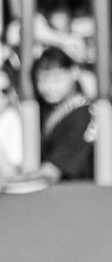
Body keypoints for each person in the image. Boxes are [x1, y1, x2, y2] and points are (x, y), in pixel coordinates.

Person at [5, 46, 94, 189]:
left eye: (57, 78)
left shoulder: (83, 113)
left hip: (78, 191)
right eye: (43, 79)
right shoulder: (45, 109)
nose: (50, 86)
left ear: (74, 73)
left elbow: (52, 172)